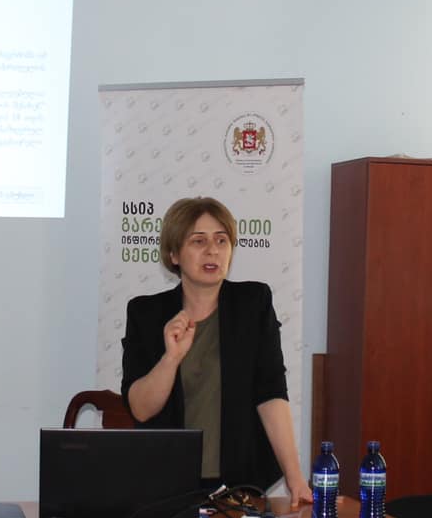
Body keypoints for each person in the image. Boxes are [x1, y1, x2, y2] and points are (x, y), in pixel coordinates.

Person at [121, 196, 309, 502]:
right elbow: (141, 409)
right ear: (174, 254)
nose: (213, 250)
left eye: (221, 240)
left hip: (240, 486)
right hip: (168, 488)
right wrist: (171, 358)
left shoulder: (253, 303)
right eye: (198, 241)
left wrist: (295, 478)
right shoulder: (147, 314)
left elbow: (271, 394)